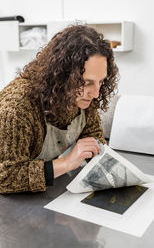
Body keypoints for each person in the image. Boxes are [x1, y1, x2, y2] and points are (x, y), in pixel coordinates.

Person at [0, 24, 119, 194]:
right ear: (61, 76)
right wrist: (66, 163)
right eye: (87, 82)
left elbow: (94, 140)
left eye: (101, 81)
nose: (95, 93)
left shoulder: (82, 98)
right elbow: (5, 177)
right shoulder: (16, 107)